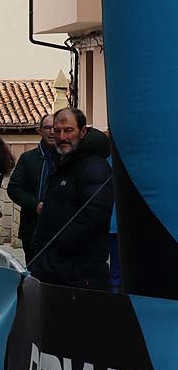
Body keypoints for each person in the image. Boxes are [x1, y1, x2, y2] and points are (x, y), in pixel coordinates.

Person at [30, 107, 114, 290]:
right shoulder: (61, 164)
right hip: (55, 271)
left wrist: (54, 251)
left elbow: (92, 219)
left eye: (68, 130)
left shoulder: (94, 167)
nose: (62, 136)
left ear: (82, 131)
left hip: (79, 275)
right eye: (57, 131)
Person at [7, 114, 57, 262]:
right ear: (39, 131)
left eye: (56, 128)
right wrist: (35, 205)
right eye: (48, 127)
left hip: (60, 227)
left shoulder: (68, 158)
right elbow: (14, 189)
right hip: (32, 226)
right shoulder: (28, 159)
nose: (52, 132)